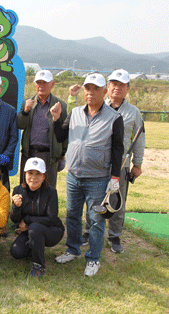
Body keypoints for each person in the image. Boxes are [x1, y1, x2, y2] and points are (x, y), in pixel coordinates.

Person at [52, 73, 124, 277]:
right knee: (73, 215)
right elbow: (59, 136)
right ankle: (73, 250)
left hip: (98, 177)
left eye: (95, 89)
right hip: (74, 175)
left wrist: (115, 177)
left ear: (104, 91)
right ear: (84, 90)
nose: (90, 92)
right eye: (87, 88)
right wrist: (57, 119)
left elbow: (118, 149)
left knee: (95, 220)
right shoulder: (74, 112)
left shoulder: (114, 117)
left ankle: (93, 258)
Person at [72, 69, 145, 254]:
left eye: (121, 85)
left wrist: (137, 164)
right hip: (97, 164)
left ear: (128, 88)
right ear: (107, 87)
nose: (117, 88)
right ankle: (89, 232)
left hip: (119, 165)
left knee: (116, 201)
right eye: (114, 84)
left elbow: (139, 138)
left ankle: (114, 236)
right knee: (94, 200)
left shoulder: (134, 112)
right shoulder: (97, 105)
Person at [10, 157, 65, 277]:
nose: (33, 177)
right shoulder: (18, 190)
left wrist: (27, 220)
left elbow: (51, 219)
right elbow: (14, 220)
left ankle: (39, 266)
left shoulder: (51, 192)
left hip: (52, 230)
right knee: (16, 252)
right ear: (25, 174)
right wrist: (16, 207)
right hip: (30, 230)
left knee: (35, 228)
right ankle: (35, 247)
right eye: (30, 173)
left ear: (44, 176)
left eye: (38, 174)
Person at [17, 70, 67, 187]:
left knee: (48, 189)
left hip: (49, 156)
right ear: (35, 84)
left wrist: (61, 155)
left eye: (44, 83)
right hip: (29, 153)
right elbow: (20, 125)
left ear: (52, 84)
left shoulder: (60, 105)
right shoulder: (28, 102)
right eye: (38, 82)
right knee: (26, 187)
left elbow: (64, 133)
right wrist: (25, 111)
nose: (41, 86)